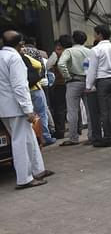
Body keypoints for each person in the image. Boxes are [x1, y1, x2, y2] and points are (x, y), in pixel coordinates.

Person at [0, 31, 53, 189]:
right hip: (16, 106)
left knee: (28, 137)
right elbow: (20, 86)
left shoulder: (2, 56)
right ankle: (24, 178)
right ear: (21, 44)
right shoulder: (14, 58)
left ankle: (38, 169)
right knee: (20, 141)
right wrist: (28, 109)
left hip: (6, 106)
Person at [85, 25, 111, 147]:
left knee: (105, 110)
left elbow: (92, 69)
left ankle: (107, 137)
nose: (94, 35)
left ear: (99, 34)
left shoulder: (95, 50)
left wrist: (89, 85)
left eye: (95, 33)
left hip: (103, 81)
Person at [57, 30, 91, 146]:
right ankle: (91, 135)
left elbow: (61, 64)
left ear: (73, 39)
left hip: (73, 82)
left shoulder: (69, 51)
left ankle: (73, 138)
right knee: (89, 110)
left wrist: (67, 76)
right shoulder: (89, 51)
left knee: (72, 111)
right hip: (88, 82)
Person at [21, 45, 55, 146]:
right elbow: (38, 64)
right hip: (35, 89)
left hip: (24, 91)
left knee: (28, 116)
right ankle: (45, 137)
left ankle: (35, 138)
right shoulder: (24, 57)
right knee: (42, 113)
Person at [46, 35, 72, 139]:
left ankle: (60, 131)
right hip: (72, 82)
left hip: (60, 83)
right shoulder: (73, 51)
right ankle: (78, 129)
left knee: (59, 108)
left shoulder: (57, 53)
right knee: (73, 107)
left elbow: (48, 65)